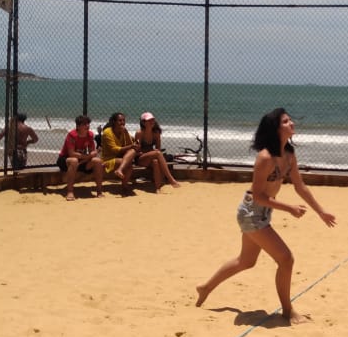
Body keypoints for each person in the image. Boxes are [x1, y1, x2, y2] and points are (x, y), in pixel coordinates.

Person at [196, 108, 337, 325]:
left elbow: (300, 186)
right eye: (286, 121)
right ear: (275, 129)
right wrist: (289, 208)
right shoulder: (265, 158)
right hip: (251, 213)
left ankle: (205, 288)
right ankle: (288, 312)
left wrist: (321, 211)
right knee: (286, 259)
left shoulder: (289, 154)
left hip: (262, 213)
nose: (292, 123)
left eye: (290, 120)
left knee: (246, 261)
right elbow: (258, 196)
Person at [56, 115, 104, 200]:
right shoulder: (72, 135)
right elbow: (71, 153)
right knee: (74, 161)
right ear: (78, 126)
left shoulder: (90, 134)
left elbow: (92, 152)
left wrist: (93, 153)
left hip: (82, 160)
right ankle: (70, 191)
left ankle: (99, 191)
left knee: (97, 161)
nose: (87, 126)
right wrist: (87, 156)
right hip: (65, 159)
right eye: (84, 124)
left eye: (88, 124)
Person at [134, 112, 180, 191]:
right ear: (143, 123)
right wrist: (151, 152)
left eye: (152, 120)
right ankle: (170, 179)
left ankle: (157, 188)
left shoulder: (156, 133)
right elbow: (137, 150)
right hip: (141, 159)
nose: (152, 122)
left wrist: (152, 152)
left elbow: (158, 148)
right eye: (149, 120)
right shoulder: (139, 133)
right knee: (157, 153)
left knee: (155, 161)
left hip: (151, 157)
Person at [100, 112, 140, 194]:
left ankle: (120, 170)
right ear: (114, 122)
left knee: (133, 151)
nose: (122, 122)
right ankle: (124, 187)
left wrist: (126, 132)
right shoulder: (107, 132)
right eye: (120, 120)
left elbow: (130, 144)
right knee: (128, 165)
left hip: (120, 157)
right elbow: (114, 149)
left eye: (123, 120)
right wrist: (131, 146)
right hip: (108, 159)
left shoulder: (123, 131)